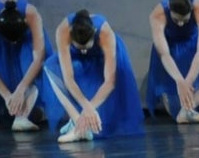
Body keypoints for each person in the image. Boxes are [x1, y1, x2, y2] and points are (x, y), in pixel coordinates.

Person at [40, 9, 146, 143]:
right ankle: (78, 124)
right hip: (76, 60)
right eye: (80, 47)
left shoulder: (105, 33)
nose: (84, 50)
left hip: (100, 57)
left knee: (99, 109)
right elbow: (69, 79)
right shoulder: (63, 31)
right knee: (50, 67)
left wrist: (90, 108)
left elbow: (110, 82)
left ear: (94, 34)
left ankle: (82, 125)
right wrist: (86, 107)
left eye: (86, 47)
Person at [0, 0, 53, 130]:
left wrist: (21, 88)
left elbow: (38, 58)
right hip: (1, 45)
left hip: (29, 40)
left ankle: (22, 118)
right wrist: (7, 95)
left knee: (30, 70)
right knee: (7, 75)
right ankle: (19, 115)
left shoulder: (32, 15)